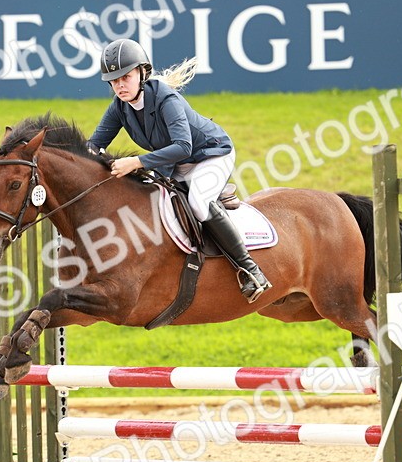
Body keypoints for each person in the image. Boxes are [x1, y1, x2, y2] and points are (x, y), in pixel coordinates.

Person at [87, 38, 272, 303]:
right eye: (113, 81)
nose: (119, 86)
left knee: (198, 202)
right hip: (175, 165)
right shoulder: (119, 107)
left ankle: (251, 270)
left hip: (210, 154)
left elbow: (183, 146)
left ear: (142, 72)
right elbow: (94, 145)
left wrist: (136, 162)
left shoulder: (165, 98)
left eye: (125, 77)